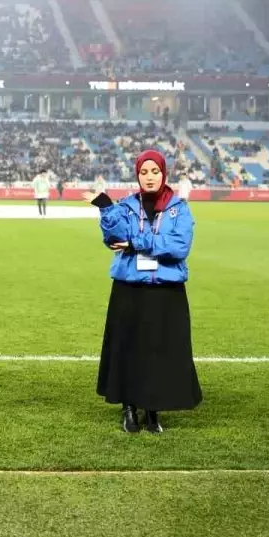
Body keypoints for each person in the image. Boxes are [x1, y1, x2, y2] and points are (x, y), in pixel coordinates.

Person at [84, 149, 201, 434]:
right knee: (127, 348)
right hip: (129, 288)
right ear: (137, 175)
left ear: (164, 174)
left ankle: (153, 410)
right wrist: (106, 208)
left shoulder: (179, 208)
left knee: (159, 351)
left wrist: (137, 242)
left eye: (155, 172)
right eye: (144, 172)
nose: (149, 177)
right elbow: (113, 239)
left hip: (165, 291)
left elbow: (179, 246)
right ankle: (128, 408)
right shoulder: (125, 206)